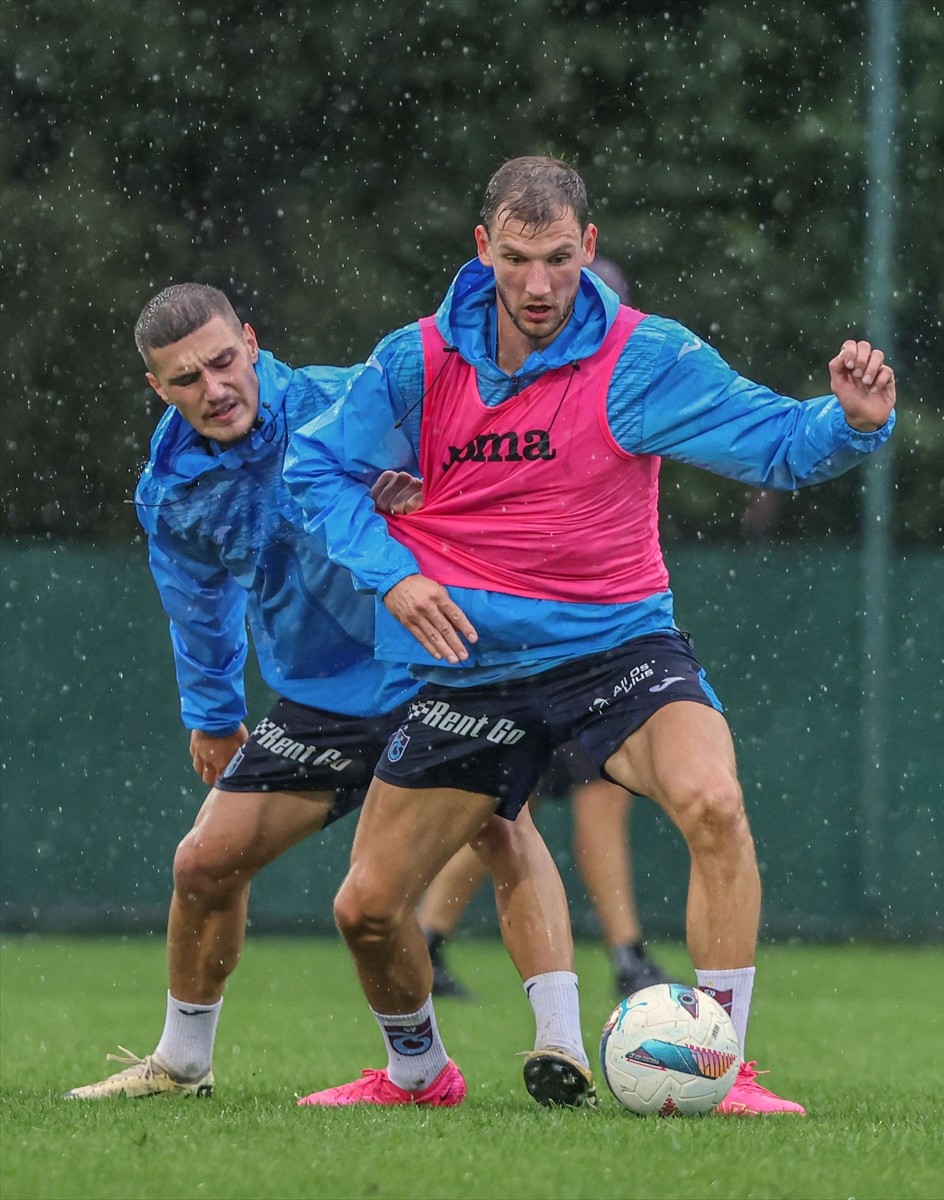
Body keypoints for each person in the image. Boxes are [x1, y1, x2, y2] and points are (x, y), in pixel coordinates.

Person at [284, 155, 896, 1116]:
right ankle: (417, 1076)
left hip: (618, 648)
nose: (538, 285)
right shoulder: (419, 361)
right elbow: (313, 468)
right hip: (469, 664)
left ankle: (724, 1067)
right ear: (482, 248)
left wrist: (851, 425)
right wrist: (395, 577)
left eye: (560, 259)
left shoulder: (643, 357)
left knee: (715, 804)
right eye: (519, 259)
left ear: (590, 248)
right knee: (365, 909)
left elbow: (775, 439)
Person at [62, 282, 589, 1108]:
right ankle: (189, 1063)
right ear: (157, 389)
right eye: (187, 378)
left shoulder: (351, 401)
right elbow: (198, 602)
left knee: (500, 825)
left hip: (434, 666)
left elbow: (487, 459)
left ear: (252, 340)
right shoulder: (171, 489)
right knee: (203, 863)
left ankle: (562, 1045)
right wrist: (212, 712)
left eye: (225, 362)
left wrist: (425, 493)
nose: (216, 388)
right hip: (320, 701)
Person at [417, 258, 667, 1005]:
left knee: (534, 810)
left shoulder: (629, 383)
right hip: (534, 648)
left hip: (596, 640)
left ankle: (624, 957)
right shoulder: (492, 388)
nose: (547, 293)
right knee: (498, 812)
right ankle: (435, 940)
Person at [419, 741, 668, 1001]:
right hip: (570, 703)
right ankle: (629, 959)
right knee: (598, 789)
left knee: (508, 816)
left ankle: (426, 945)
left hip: (533, 705)